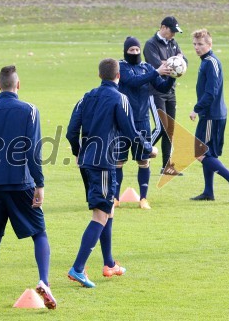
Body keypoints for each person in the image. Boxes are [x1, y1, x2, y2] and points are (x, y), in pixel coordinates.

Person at [66, 58, 155, 288]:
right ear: (119, 77)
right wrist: (148, 149)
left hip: (87, 161)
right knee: (100, 215)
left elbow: (71, 131)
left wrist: (78, 151)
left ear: (99, 76)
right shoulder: (120, 98)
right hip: (104, 163)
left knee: (108, 209)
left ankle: (109, 264)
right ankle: (78, 268)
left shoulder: (86, 97)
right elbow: (131, 131)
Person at [0, 65, 56, 309]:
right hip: (22, 184)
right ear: (18, 85)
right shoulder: (30, 110)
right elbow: (33, 150)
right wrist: (39, 183)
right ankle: (44, 281)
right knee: (39, 233)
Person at [116, 36, 174, 210]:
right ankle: (115, 198)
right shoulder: (121, 67)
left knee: (144, 161)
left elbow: (162, 87)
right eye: (131, 50)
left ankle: (143, 199)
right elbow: (133, 82)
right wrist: (156, 72)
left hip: (142, 122)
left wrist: (171, 76)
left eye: (136, 50)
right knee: (118, 161)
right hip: (123, 122)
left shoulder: (146, 67)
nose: (134, 53)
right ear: (125, 51)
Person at [189, 29, 229, 202]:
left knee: (199, 153)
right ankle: (208, 192)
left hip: (211, 115)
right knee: (208, 153)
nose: (197, 48)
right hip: (213, 114)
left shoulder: (210, 62)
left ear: (209, 44)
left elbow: (211, 92)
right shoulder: (206, 61)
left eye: (201, 44)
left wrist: (196, 109)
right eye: (195, 44)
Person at [144, 16, 188, 176]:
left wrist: (178, 62)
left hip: (170, 91)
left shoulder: (173, 43)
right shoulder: (151, 44)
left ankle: (167, 166)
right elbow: (158, 66)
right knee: (161, 127)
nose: (174, 35)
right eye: (172, 31)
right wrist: (173, 61)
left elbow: (184, 61)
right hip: (155, 91)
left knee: (170, 130)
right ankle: (143, 149)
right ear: (163, 27)